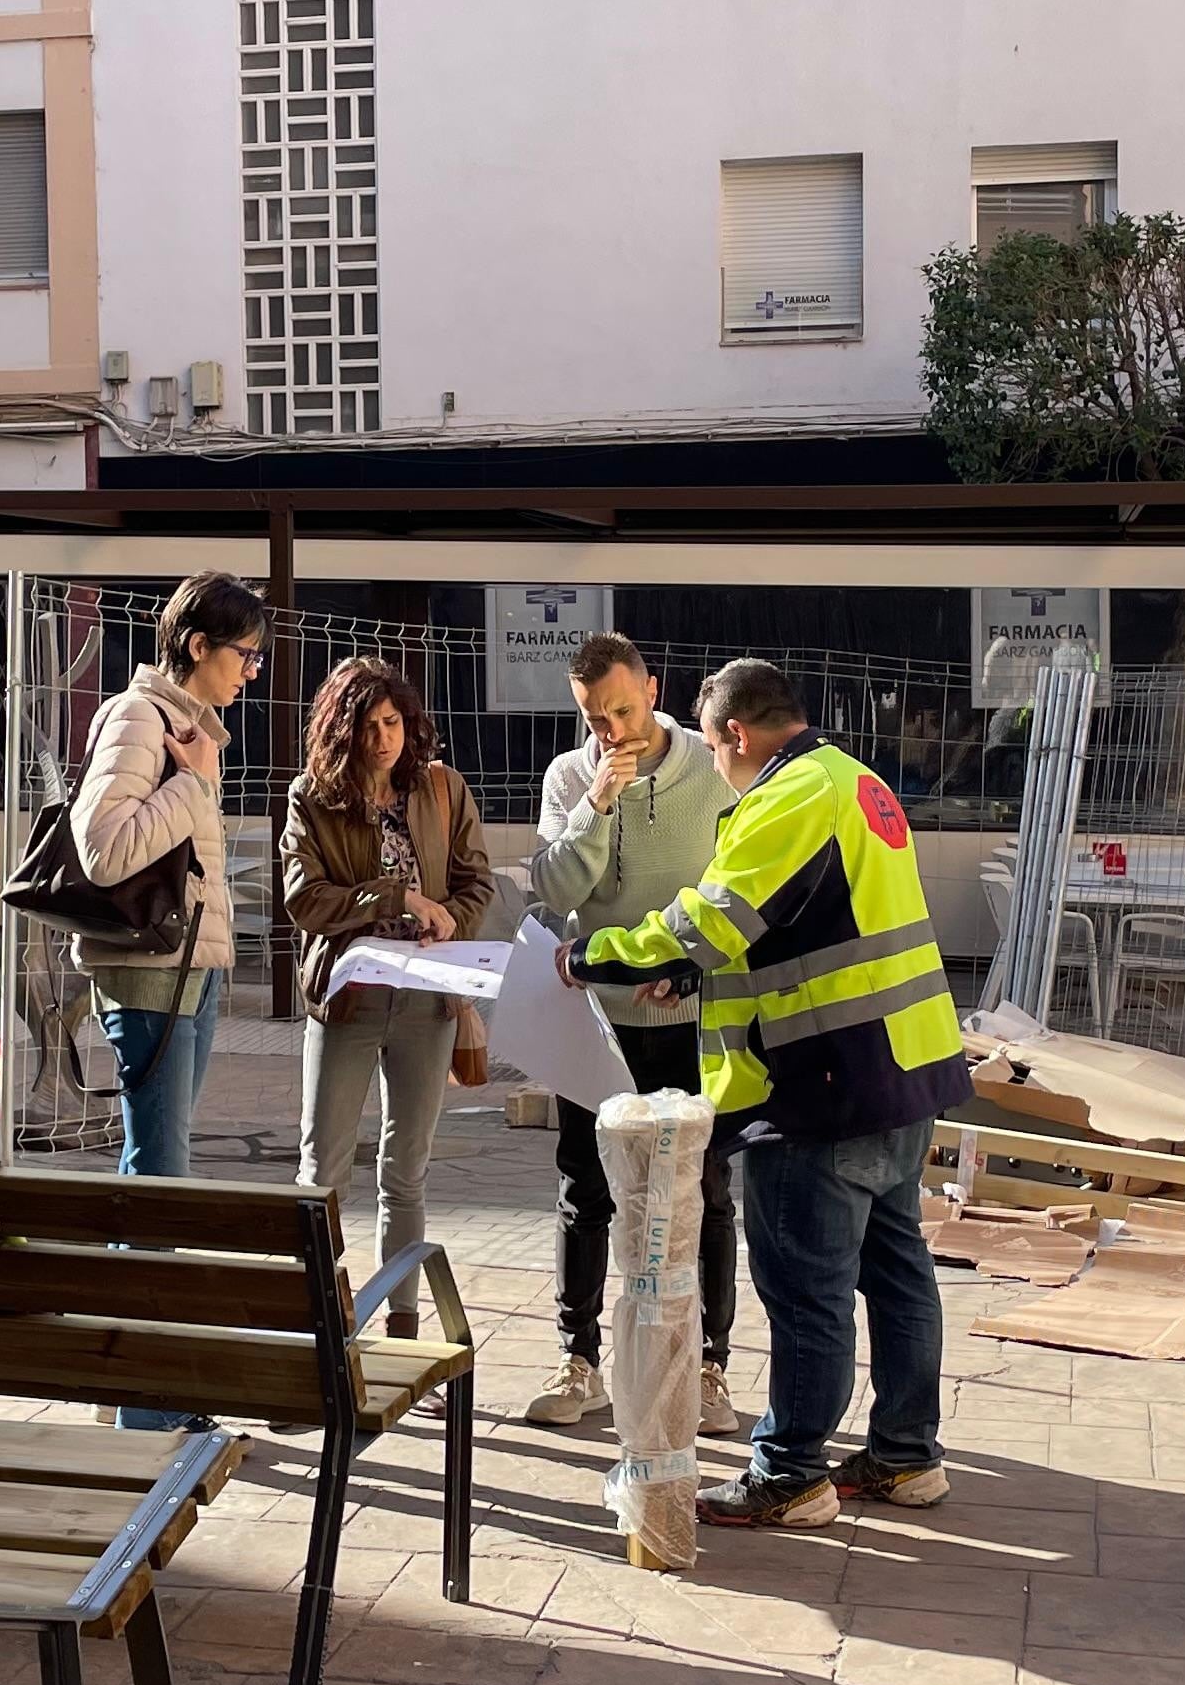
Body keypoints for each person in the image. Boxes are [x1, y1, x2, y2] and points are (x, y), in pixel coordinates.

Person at [565, 658, 972, 1528]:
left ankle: (790, 1473)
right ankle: (907, 1455)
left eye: (713, 749)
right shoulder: (851, 778)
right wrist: (700, 978)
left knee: (806, 1287)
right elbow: (804, 921)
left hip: (820, 1085)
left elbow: (711, 919)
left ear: (737, 736)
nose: (714, 765)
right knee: (896, 1270)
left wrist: (592, 955)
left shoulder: (787, 797)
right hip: (901, 1068)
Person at [524, 633, 744, 1438]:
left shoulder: (710, 771)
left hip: (687, 1014)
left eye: (623, 707)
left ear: (654, 686)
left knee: (705, 1189)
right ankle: (578, 1359)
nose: (613, 728)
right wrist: (596, 807)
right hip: (598, 1020)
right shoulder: (570, 777)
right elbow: (551, 890)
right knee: (584, 1188)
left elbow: (739, 887)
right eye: (595, 716)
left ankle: (709, 1367)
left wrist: (698, 963)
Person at [284, 656, 491, 1282]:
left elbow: (476, 881)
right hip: (347, 996)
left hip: (428, 1000)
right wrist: (393, 896)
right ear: (341, 731)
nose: (383, 739)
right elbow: (304, 899)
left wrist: (451, 917)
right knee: (324, 1168)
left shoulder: (442, 787)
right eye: (368, 726)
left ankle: (399, 1317)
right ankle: (317, 1311)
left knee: (407, 1171)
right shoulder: (313, 797)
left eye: (393, 722)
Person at [71, 570, 267, 1182]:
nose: (253, 672)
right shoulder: (138, 717)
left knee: (156, 1160)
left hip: (186, 966)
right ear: (197, 645)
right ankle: (143, 1274)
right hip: (148, 965)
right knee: (162, 1167)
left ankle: (134, 1269)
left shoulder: (189, 727)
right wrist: (193, 783)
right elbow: (103, 850)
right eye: (245, 654)